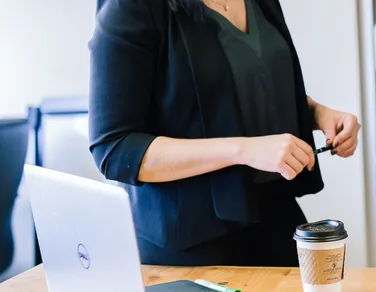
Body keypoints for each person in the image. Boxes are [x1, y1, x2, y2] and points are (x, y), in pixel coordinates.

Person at [88, 0, 360, 267]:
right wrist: (243, 150)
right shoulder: (131, 7)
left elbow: (245, 83)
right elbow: (115, 148)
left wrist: (316, 113)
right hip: (191, 243)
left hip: (276, 220)